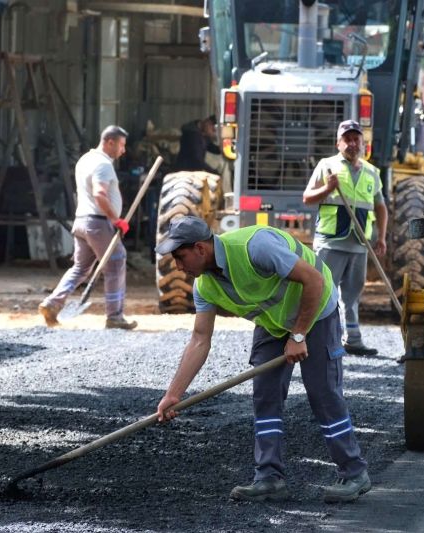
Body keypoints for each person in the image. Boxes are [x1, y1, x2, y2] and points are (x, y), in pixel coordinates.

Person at [154, 215, 370, 504]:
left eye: (181, 257)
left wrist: (298, 336)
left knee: (322, 391)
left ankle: (354, 472)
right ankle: (269, 478)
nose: (179, 267)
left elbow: (314, 279)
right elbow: (199, 340)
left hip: (316, 309)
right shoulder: (204, 286)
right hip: (274, 323)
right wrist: (173, 394)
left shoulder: (255, 246)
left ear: (200, 249)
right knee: (265, 395)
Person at [38, 125, 137, 330]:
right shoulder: (103, 165)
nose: (123, 151)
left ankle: (52, 303)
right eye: (121, 145)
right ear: (109, 142)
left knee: (80, 268)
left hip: (82, 220)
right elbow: (100, 194)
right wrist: (115, 219)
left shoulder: (84, 160)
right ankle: (114, 316)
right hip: (98, 222)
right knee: (116, 262)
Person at [302, 119, 388, 356]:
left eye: (356, 139)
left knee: (352, 293)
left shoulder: (372, 172)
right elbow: (307, 198)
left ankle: (353, 339)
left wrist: (381, 237)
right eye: (347, 139)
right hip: (331, 240)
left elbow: (380, 207)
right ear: (338, 143)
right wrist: (327, 189)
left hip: (360, 242)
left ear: (363, 143)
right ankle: (315, 339)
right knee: (322, 290)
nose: (352, 143)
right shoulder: (327, 165)